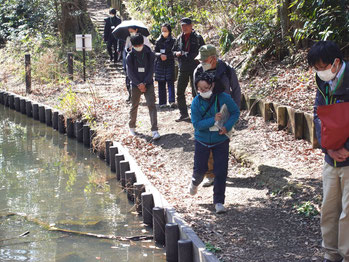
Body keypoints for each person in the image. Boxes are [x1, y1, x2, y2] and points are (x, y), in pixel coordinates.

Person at [308, 40, 349, 262]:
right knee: (329, 209)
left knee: (348, 213)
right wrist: (328, 147)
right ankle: (330, 254)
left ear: (336, 62)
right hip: (330, 158)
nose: (320, 71)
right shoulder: (322, 82)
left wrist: (346, 148)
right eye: (316, 68)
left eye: (322, 67)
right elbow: (317, 114)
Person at [188, 72, 240, 214]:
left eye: (206, 88)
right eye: (200, 89)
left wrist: (227, 126)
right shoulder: (196, 102)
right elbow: (197, 124)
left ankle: (218, 201)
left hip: (220, 140)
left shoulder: (224, 98)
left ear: (212, 85)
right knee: (200, 170)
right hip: (202, 140)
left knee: (220, 171)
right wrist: (213, 119)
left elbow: (235, 112)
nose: (203, 91)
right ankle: (194, 183)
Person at [194, 44, 241, 187]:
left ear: (213, 59)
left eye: (204, 60)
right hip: (206, 112)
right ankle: (210, 174)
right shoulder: (198, 70)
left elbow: (236, 90)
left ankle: (220, 171)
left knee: (222, 141)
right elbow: (195, 92)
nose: (201, 63)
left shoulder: (227, 70)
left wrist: (235, 111)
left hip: (224, 111)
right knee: (206, 143)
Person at [126, 33, 160, 140]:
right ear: (133, 45)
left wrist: (145, 83)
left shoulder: (149, 53)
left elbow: (151, 69)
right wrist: (139, 84)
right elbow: (130, 73)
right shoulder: (130, 56)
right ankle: (132, 128)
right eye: (136, 45)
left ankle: (154, 130)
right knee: (134, 105)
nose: (138, 47)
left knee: (151, 105)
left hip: (148, 83)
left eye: (139, 44)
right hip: (136, 84)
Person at [173, 17, 205, 122]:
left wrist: (185, 54)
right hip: (183, 68)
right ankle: (183, 114)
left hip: (195, 67)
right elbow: (173, 51)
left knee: (195, 91)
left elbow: (202, 52)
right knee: (180, 91)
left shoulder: (197, 38)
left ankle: (197, 113)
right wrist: (176, 54)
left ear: (191, 26)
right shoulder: (179, 38)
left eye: (186, 25)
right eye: (182, 26)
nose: (184, 28)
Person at [123, 27, 152, 102]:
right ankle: (130, 94)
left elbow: (152, 69)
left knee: (151, 103)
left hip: (144, 63)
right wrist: (129, 49)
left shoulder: (144, 39)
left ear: (136, 30)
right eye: (129, 31)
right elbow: (126, 48)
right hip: (134, 61)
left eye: (132, 31)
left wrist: (144, 83)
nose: (130, 32)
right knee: (129, 78)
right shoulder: (128, 39)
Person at [154, 23, 176, 108]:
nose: (164, 32)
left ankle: (172, 101)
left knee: (170, 82)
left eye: (165, 30)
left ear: (169, 31)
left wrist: (167, 56)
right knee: (161, 83)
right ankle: (162, 102)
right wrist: (160, 55)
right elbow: (154, 52)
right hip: (160, 64)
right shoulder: (158, 40)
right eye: (162, 30)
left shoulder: (173, 41)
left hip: (169, 63)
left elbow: (175, 52)